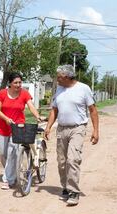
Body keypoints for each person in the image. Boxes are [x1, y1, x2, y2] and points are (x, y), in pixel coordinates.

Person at [44, 65, 99, 206]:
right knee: (62, 162)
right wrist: (48, 127)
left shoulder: (83, 88)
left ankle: (74, 191)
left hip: (78, 128)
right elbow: (54, 110)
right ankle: (66, 187)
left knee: (73, 159)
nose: (57, 79)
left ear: (67, 77)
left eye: (59, 77)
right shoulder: (60, 89)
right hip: (62, 129)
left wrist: (95, 131)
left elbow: (92, 110)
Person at [0, 72, 42, 190]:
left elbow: (31, 106)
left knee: (12, 153)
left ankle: (8, 180)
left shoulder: (24, 93)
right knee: (2, 154)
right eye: (15, 82)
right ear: (10, 83)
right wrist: (6, 119)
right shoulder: (2, 93)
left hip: (18, 127)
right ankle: (13, 172)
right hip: (2, 127)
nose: (18, 85)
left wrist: (37, 116)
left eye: (20, 82)